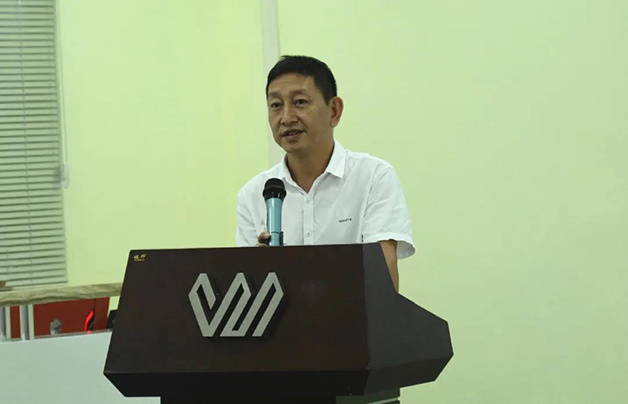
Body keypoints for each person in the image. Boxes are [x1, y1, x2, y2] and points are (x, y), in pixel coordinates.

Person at [236, 55, 414, 291]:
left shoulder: (373, 178)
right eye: (276, 105)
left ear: (334, 111)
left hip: (353, 315)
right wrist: (260, 268)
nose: (286, 118)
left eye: (300, 102)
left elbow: (383, 282)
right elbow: (248, 292)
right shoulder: (253, 194)